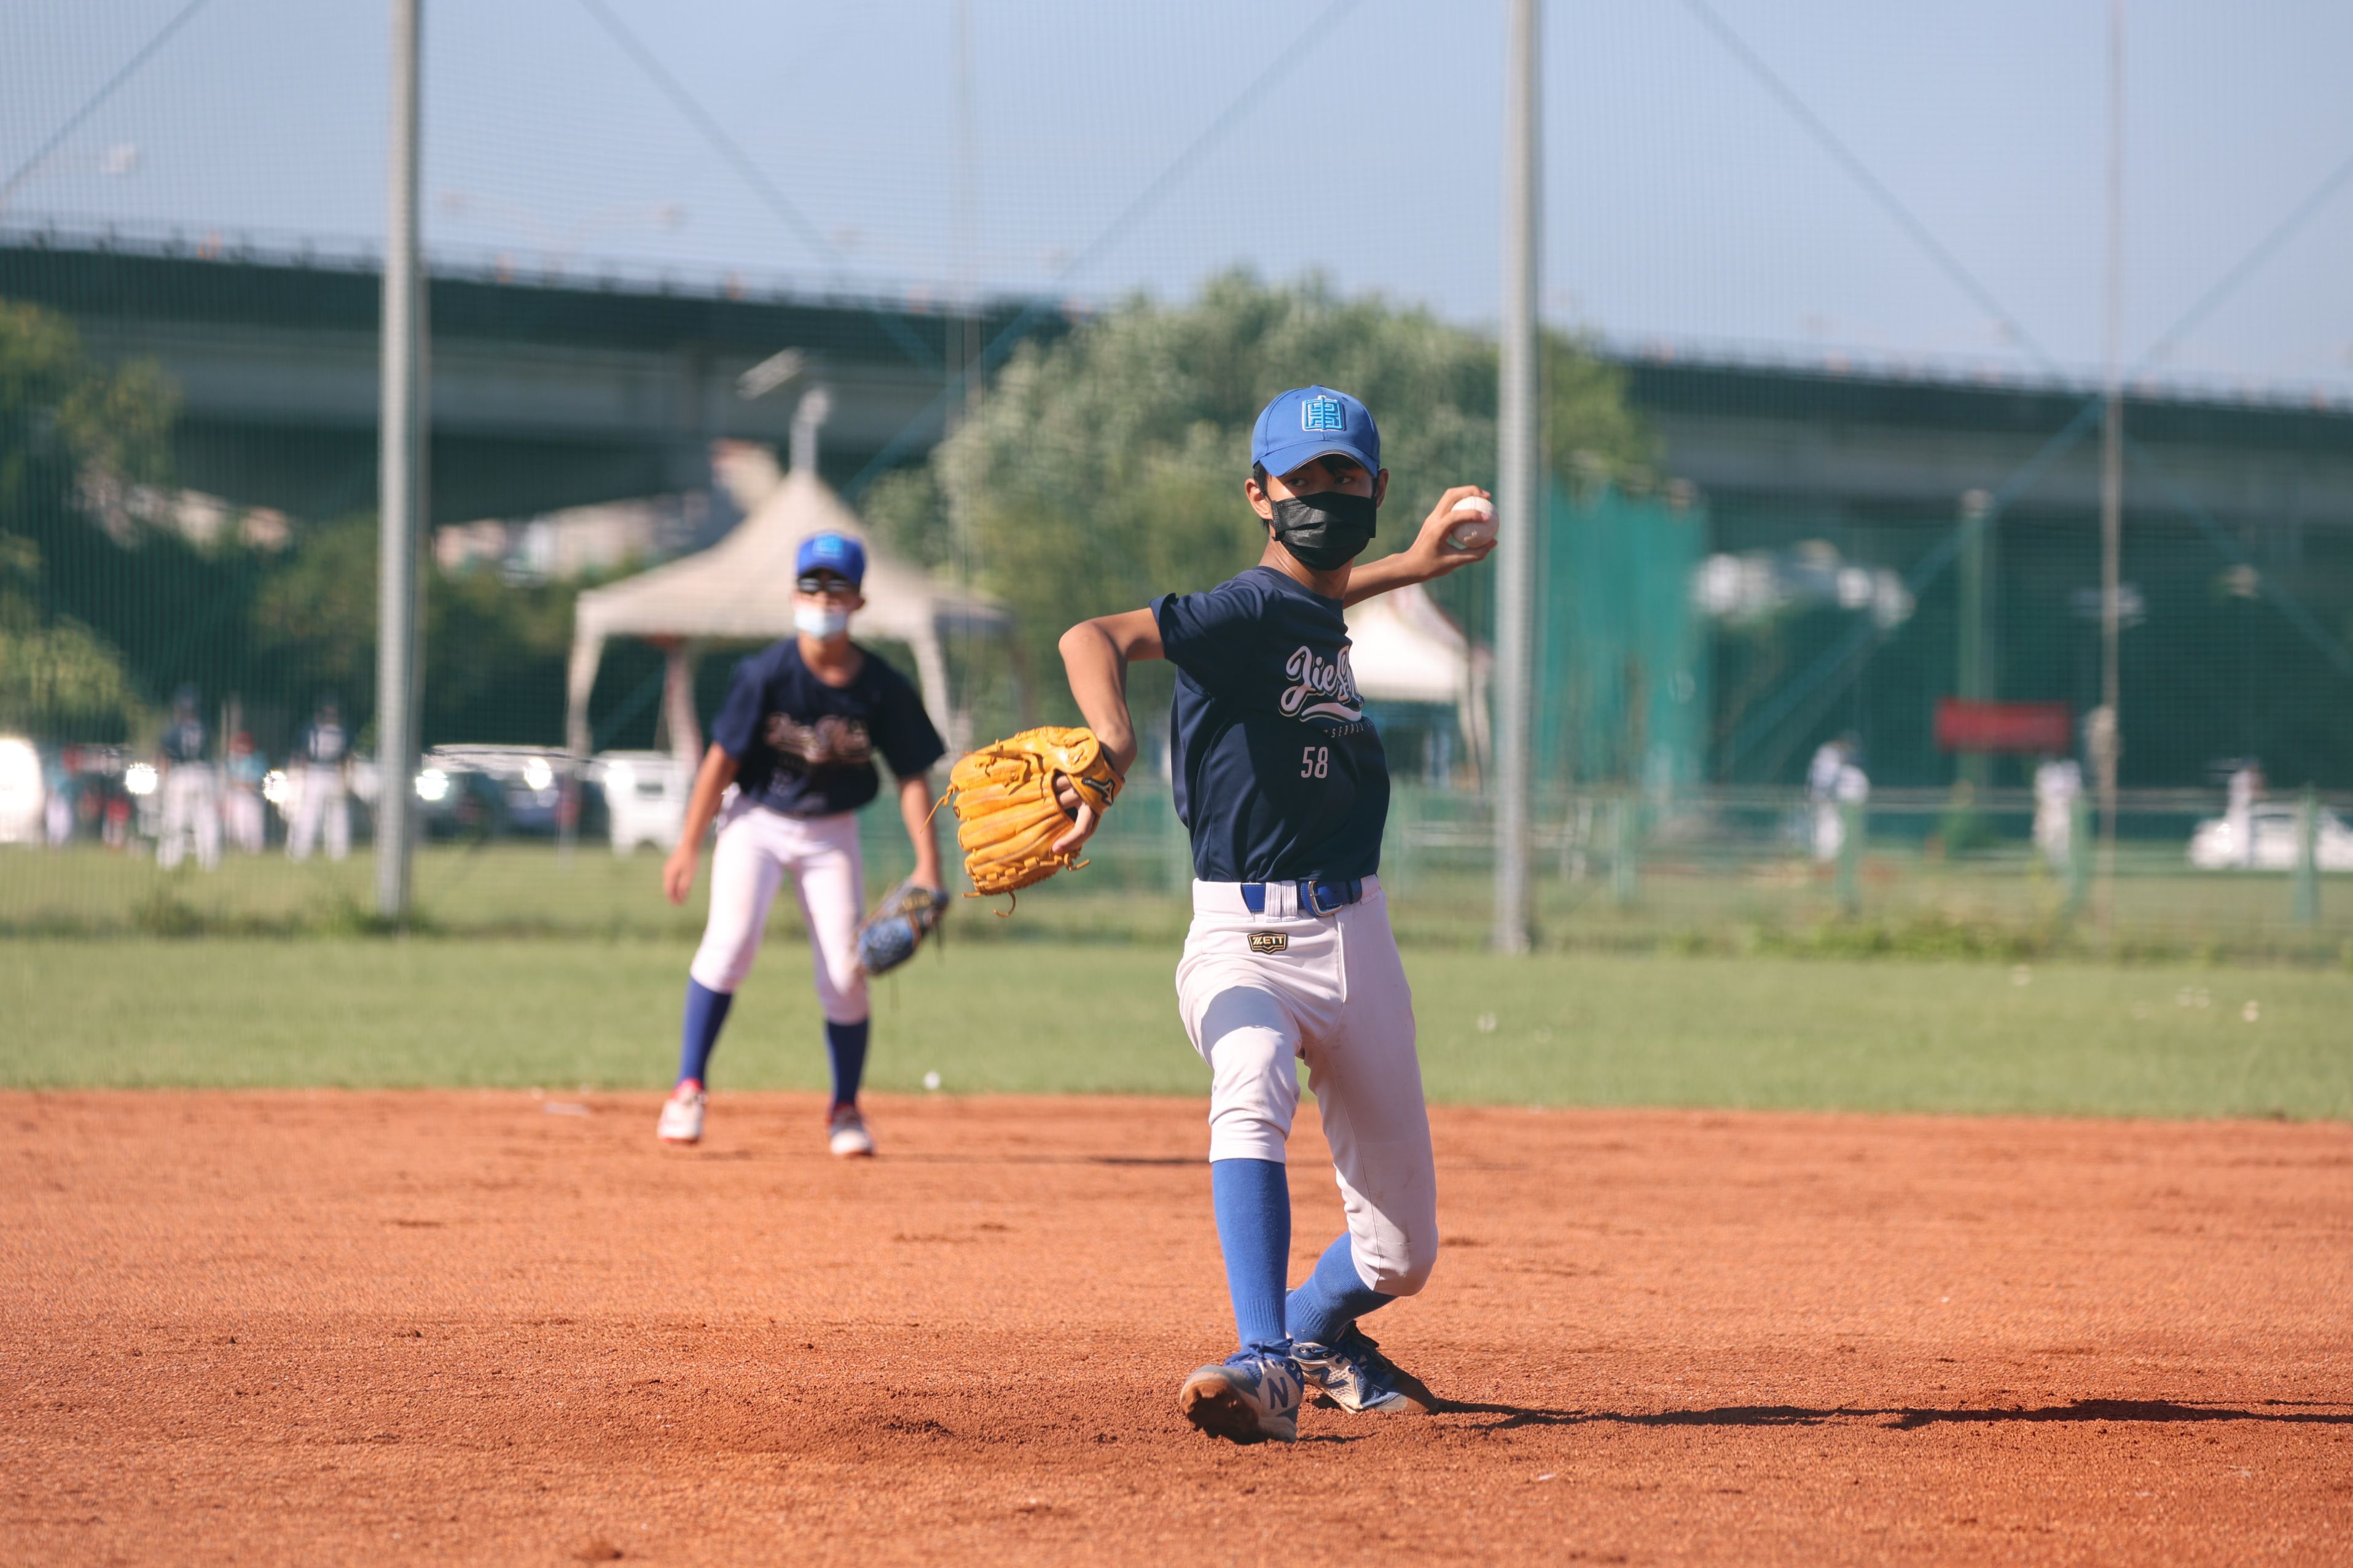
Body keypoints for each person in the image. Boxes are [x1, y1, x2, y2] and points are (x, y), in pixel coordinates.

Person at [1053, 386, 1495, 1444]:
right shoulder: (1242, 611)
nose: (1324, 495)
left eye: (1344, 476)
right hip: (1240, 937)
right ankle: (1266, 1360)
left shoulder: (1311, 606)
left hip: (1359, 939)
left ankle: (1312, 1332)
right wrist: (1112, 742)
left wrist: (1413, 565)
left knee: (1401, 1254)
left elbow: (1323, 591)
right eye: (1302, 479)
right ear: (1259, 494)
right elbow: (1093, 634)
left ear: (1377, 488)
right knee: (1248, 1069)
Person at [657, 532, 947, 1156]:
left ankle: (845, 1110)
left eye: (837, 586)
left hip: (831, 832)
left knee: (845, 973)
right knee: (730, 944)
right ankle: (687, 1089)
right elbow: (720, 762)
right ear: (794, 594)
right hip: (755, 822)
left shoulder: (882, 686)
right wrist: (687, 846)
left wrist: (929, 865)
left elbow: (912, 777)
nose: (823, 597)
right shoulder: (765, 673)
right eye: (812, 584)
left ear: (859, 601)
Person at [155, 687, 221, 872]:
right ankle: (210, 860)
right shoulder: (206, 728)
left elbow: (165, 756)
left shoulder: (175, 729)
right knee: (206, 819)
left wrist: (163, 781)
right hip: (203, 774)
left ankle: (170, 859)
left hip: (181, 774)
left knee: (175, 818)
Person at [288, 700, 351, 862]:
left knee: (330, 814)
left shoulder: (315, 729)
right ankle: (306, 850)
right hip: (319, 772)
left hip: (325, 773)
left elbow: (344, 758)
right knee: (313, 813)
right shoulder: (334, 730)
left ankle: (335, 851)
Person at [2032, 755, 2081, 870]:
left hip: (2065, 811)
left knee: (2064, 839)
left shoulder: (2070, 770)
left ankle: (2062, 865)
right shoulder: (2046, 772)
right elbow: (2041, 796)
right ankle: (2049, 865)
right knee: (2048, 839)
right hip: (2050, 811)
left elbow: (2075, 795)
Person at [222, 731, 268, 854]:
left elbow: (259, 780)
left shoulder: (257, 759)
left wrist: (245, 785)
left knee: (255, 826)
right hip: (237, 796)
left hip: (253, 797)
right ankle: (241, 848)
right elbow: (228, 779)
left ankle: (256, 850)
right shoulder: (231, 760)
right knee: (239, 826)